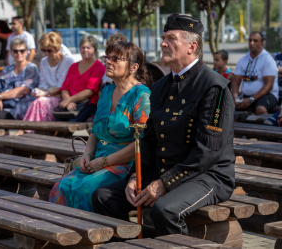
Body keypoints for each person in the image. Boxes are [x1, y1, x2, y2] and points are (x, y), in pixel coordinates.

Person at [92, 13, 235, 236]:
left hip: (207, 176)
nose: (163, 43)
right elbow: (148, 140)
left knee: (165, 210)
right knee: (104, 197)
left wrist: (164, 183)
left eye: (171, 38)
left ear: (192, 46)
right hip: (163, 172)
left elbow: (207, 152)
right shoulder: (159, 87)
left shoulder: (213, 88)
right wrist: (135, 177)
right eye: (163, 37)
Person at [49, 41, 151, 212]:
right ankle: (62, 234)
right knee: (61, 186)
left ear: (133, 67)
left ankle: (89, 236)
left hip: (124, 164)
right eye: (107, 57)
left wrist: (103, 162)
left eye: (116, 58)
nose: (108, 62)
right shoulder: (107, 91)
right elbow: (96, 130)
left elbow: (141, 144)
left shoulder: (141, 96)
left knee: (85, 189)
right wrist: (86, 155)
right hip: (97, 159)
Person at [22, 32, 74, 123]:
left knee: (39, 102)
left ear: (57, 48)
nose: (46, 53)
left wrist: (44, 93)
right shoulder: (43, 61)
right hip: (47, 95)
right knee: (32, 101)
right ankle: (30, 129)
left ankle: (27, 129)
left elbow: (61, 86)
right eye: (43, 50)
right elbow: (43, 82)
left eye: (49, 50)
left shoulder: (68, 61)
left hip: (62, 97)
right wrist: (39, 91)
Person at [0, 38, 39, 120]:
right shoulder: (7, 69)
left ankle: (6, 133)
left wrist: (0, 96)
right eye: (15, 51)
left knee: (0, 118)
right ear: (11, 52)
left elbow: (23, 91)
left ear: (27, 52)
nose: (19, 53)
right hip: (4, 103)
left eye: (22, 51)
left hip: (21, 105)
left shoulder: (31, 68)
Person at [58, 35, 105, 122]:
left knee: (71, 122)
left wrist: (69, 100)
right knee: (57, 121)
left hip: (88, 104)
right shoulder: (73, 66)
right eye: (83, 47)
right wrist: (68, 101)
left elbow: (89, 91)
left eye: (88, 47)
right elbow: (64, 87)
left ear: (94, 49)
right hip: (70, 103)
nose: (85, 50)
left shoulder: (99, 67)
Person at [232, 31, 279, 115]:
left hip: (267, 95)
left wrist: (251, 99)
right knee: (227, 106)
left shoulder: (268, 60)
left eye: (255, 41)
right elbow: (235, 82)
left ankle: (264, 128)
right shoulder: (243, 60)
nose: (251, 43)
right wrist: (235, 97)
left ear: (262, 44)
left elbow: (269, 86)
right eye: (250, 40)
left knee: (260, 109)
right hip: (246, 95)